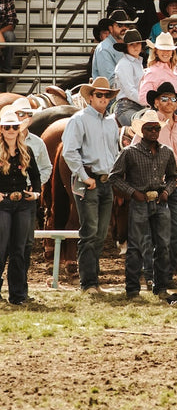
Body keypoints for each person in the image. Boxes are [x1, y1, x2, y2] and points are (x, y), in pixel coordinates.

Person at [110, 110, 177, 299]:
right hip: (140, 203)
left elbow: (174, 176)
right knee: (136, 247)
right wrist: (133, 193)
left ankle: (161, 287)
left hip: (159, 201)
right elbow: (114, 177)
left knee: (163, 246)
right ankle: (132, 289)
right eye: (149, 129)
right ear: (142, 131)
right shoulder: (129, 153)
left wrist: (166, 191)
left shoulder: (167, 152)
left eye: (156, 128)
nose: (154, 132)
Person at [61, 78, 121, 294]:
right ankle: (88, 283)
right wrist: (85, 177)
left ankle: (93, 281)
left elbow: (115, 151)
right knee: (90, 231)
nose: (103, 98)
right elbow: (69, 151)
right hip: (89, 182)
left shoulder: (111, 122)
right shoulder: (79, 119)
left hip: (105, 181)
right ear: (89, 97)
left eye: (107, 95)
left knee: (100, 232)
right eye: (99, 95)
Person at [134, 84, 177, 286]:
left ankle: (163, 274)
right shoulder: (148, 123)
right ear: (156, 102)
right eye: (165, 98)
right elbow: (135, 151)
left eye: (173, 98)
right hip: (152, 185)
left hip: (174, 184)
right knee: (154, 231)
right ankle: (154, 276)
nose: (170, 102)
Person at [3, 99, 51, 284]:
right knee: (3, 245)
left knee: (25, 245)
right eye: (21, 114)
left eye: (28, 114)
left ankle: (20, 288)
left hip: (26, 199)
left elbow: (44, 169)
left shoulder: (35, 144)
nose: (25, 117)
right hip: (5, 198)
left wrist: (35, 190)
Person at [0, 111, 40, 305]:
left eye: (15, 127)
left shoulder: (27, 151)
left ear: (19, 129)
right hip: (3, 204)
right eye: (7, 127)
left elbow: (36, 176)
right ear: (1, 129)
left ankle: (17, 295)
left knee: (19, 249)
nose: (11, 131)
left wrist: (36, 193)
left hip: (23, 203)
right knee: (1, 247)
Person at [139, 33, 177, 107]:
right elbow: (143, 98)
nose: (165, 52)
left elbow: (176, 92)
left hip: (173, 109)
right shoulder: (152, 71)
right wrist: (161, 104)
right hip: (159, 112)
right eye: (162, 49)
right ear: (156, 52)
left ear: (172, 52)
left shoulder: (173, 69)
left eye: (168, 50)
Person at [91, 9, 136, 85]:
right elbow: (109, 80)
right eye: (120, 25)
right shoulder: (104, 49)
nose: (124, 28)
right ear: (111, 28)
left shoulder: (127, 45)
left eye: (127, 25)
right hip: (111, 95)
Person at [112, 29, 147, 127]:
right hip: (125, 107)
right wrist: (146, 101)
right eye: (132, 44)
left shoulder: (138, 63)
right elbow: (130, 91)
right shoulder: (124, 64)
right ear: (126, 47)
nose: (135, 47)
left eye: (138, 44)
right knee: (142, 128)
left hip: (140, 105)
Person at [0, 0, 19, 90]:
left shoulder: (6, 0)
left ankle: (7, 72)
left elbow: (11, 23)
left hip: (3, 32)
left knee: (10, 36)